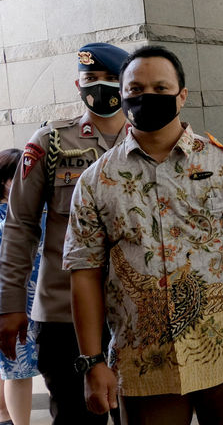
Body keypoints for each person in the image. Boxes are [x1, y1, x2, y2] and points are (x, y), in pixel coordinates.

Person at [63, 45, 223, 424]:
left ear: (181, 96)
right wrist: (93, 360)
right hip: (143, 363)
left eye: (161, 89)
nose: (147, 97)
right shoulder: (96, 181)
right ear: (123, 94)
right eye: (136, 89)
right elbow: (85, 273)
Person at [0, 43, 129, 425]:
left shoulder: (149, 141)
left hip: (135, 312)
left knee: (139, 415)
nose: (101, 88)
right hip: (63, 313)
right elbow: (20, 226)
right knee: (76, 416)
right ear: (78, 83)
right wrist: (10, 305)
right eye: (92, 79)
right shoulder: (50, 143)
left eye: (111, 80)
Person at [0, 149, 38, 425]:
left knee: (11, 367)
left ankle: (4, 416)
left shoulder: (35, 210)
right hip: (9, 302)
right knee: (16, 369)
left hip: (36, 300)